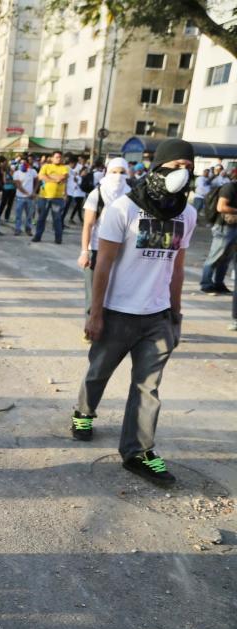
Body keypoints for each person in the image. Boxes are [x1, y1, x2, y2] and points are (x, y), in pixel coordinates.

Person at [72, 138, 197, 487]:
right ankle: (84, 411)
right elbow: (104, 266)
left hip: (157, 317)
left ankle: (138, 452)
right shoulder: (123, 209)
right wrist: (95, 314)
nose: (182, 174)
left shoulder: (187, 213)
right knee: (99, 370)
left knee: (148, 388)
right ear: (157, 167)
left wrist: (176, 314)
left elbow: (178, 267)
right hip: (117, 313)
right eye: (175, 167)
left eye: (188, 168)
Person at [78, 157, 130, 315]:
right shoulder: (97, 193)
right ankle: (90, 327)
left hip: (121, 251)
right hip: (96, 249)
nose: (118, 176)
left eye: (122, 172)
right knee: (94, 291)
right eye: (114, 172)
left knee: (115, 291)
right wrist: (85, 252)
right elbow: (88, 224)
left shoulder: (131, 195)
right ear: (107, 172)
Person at [199, 179, 237, 295]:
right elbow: (221, 207)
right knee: (214, 257)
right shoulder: (230, 187)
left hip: (233, 227)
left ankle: (219, 284)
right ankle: (206, 285)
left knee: (226, 259)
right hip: (224, 228)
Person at [33, 150, 69, 244]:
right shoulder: (46, 166)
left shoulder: (64, 168)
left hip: (57, 198)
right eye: (56, 157)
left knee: (57, 219)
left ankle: (58, 238)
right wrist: (54, 178)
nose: (58, 159)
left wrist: (48, 177)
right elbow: (40, 177)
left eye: (60, 157)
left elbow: (63, 177)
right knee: (41, 218)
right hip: (44, 197)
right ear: (52, 158)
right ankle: (37, 236)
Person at [12, 158, 38, 236]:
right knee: (18, 215)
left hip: (30, 198)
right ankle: (17, 229)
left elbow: (37, 181)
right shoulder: (16, 173)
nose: (22, 165)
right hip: (20, 197)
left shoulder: (33, 171)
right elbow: (18, 186)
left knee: (29, 215)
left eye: (24, 163)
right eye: (21, 163)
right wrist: (28, 193)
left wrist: (34, 191)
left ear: (27, 164)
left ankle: (28, 229)